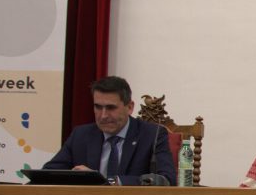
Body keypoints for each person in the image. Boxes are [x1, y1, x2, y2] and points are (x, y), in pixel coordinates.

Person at [43, 76, 175, 185]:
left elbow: (167, 179)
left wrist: (108, 181)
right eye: (98, 107)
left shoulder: (153, 135)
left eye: (111, 108)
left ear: (129, 107)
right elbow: (49, 173)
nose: (103, 115)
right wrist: (79, 177)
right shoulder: (81, 135)